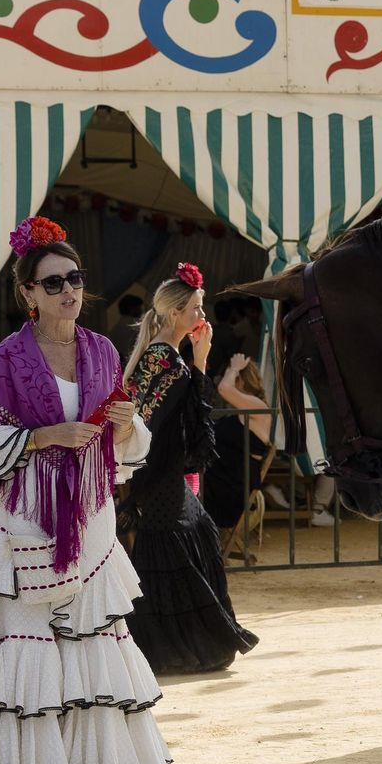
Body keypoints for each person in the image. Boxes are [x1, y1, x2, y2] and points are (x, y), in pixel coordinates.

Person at [0, 216, 165, 764]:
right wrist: (41, 437)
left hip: (91, 515)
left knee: (86, 641)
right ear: (28, 293)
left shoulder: (102, 351)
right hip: (29, 513)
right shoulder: (6, 359)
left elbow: (122, 446)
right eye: (55, 282)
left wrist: (125, 427)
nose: (69, 290)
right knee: (25, 641)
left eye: (76, 278)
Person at [122, 264, 259, 674]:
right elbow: (172, 424)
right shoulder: (164, 358)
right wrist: (199, 362)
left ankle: (187, 646)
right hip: (159, 476)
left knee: (195, 533)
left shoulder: (163, 354)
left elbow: (176, 420)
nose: (202, 316)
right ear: (175, 313)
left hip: (162, 474)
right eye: (196, 308)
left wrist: (198, 361)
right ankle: (172, 650)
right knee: (178, 542)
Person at [205, 354, 274, 557]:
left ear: (240, 380)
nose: (226, 378)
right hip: (222, 478)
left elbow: (224, 389)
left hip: (232, 485)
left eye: (231, 375)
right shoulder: (243, 408)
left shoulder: (258, 406)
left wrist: (234, 367)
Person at [109, 294, 145, 359]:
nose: (142, 311)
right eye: (139, 308)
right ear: (132, 309)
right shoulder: (137, 328)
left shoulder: (114, 329)